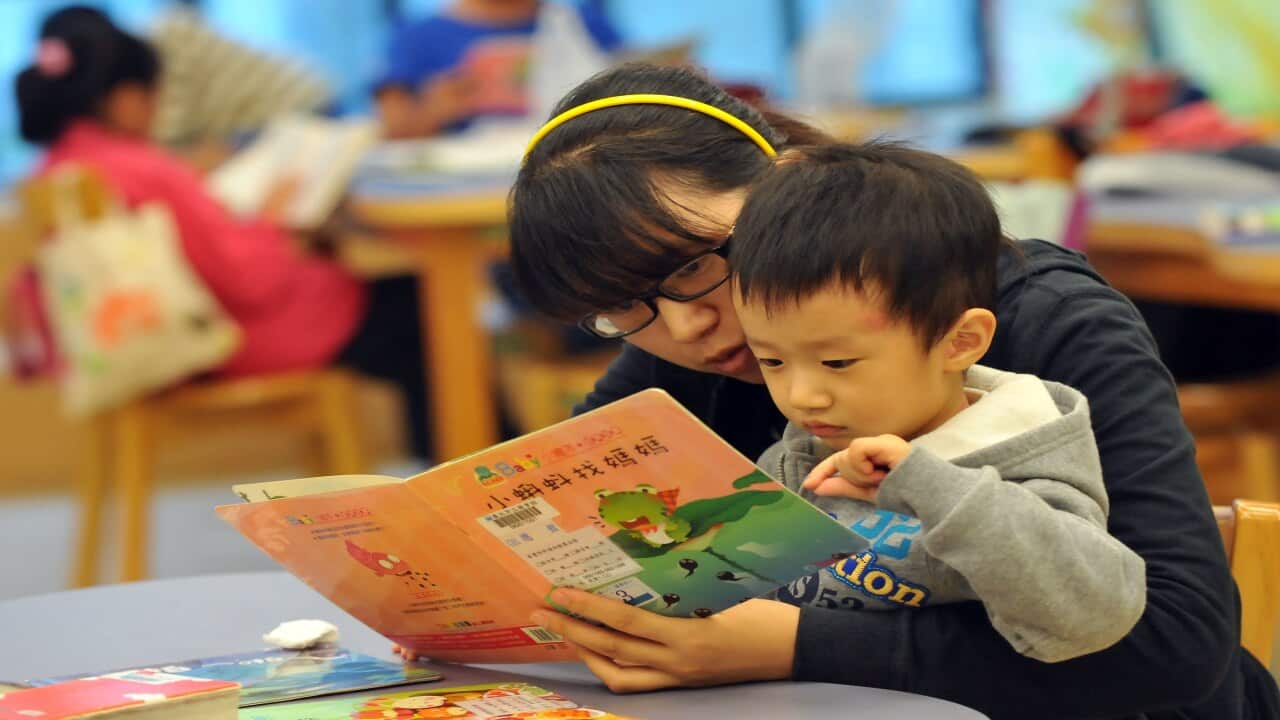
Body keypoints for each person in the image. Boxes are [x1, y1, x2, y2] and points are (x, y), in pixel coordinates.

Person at [498, 63, 1279, 719]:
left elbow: (1176, 649)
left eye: (695, 264)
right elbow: (555, 524)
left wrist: (791, 644)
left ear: (788, 179)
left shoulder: (1046, 318)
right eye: (624, 306)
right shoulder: (697, 336)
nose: (688, 324)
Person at [725, 141, 1145, 663]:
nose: (800, 395)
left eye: (837, 363)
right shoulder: (798, 458)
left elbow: (1094, 614)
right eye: (772, 362)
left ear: (960, 342)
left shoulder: (1019, 454)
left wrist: (933, 487)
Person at [15, 7, 431, 460]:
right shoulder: (144, 169)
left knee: (409, 313)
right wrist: (274, 217)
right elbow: (251, 282)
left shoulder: (60, 166)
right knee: (429, 315)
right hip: (228, 343)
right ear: (127, 98)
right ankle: (477, 492)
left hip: (155, 344)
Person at [374, 0, 622, 138]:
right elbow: (392, 131)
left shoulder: (579, 24)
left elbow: (630, 93)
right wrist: (434, 110)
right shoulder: (417, 38)